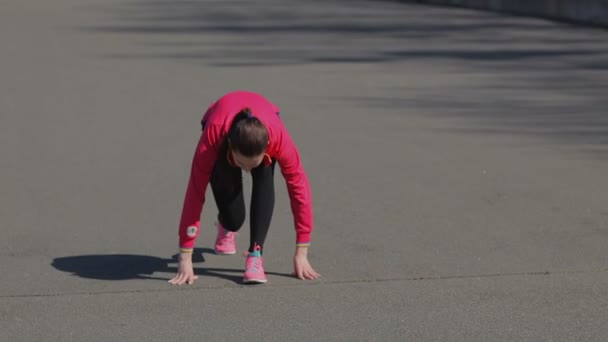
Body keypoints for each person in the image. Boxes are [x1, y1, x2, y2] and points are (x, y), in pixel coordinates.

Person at [168, 90, 320, 285]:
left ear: (266, 145)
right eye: (241, 164)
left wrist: (301, 252)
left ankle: (255, 255)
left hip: (266, 123)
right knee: (234, 219)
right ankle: (226, 225)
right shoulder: (213, 139)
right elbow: (195, 192)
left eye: (252, 164)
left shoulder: (277, 139)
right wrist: (185, 256)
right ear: (231, 147)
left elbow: (299, 190)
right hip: (219, 124)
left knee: (264, 176)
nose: (247, 170)